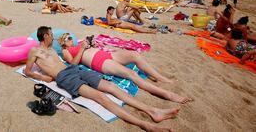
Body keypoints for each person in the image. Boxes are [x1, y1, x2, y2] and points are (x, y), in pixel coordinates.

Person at [25, 26, 180, 132]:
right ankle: (145, 125)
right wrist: (42, 77)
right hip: (64, 77)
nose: (53, 37)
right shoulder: (34, 51)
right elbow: (27, 70)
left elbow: (64, 63)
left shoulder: (52, 49)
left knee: (112, 87)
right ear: (45, 35)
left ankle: (153, 111)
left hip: (73, 69)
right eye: (51, 35)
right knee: (100, 97)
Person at [59, 33, 193, 103]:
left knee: (135, 55)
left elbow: (90, 49)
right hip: (99, 62)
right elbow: (73, 64)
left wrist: (91, 45)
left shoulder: (79, 44)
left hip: (107, 55)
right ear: (63, 42)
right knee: (131, 74)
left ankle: (160, 77)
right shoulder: (66, 51)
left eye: (71, 37)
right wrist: (82, 48)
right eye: (68, 38)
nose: (71, 39)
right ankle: (166, 94)